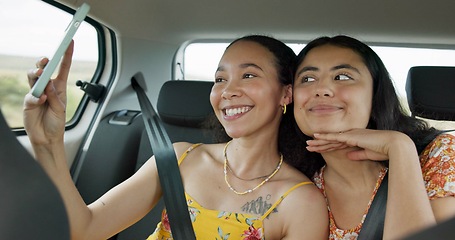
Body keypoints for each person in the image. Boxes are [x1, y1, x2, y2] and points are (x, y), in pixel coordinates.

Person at [24, 35, 328, 239]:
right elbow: (84, 230)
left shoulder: (301, 202)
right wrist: (46, 142)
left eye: (248, 75)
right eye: (220, 79)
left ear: (286, 93)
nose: (227, 91)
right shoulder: (179, 158)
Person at [283, 35, 455, 240]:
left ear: (375, 95)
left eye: (342, 76)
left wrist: (399, 148)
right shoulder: (296, 187)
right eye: (308, 79)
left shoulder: (439, 155)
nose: (321, 90)